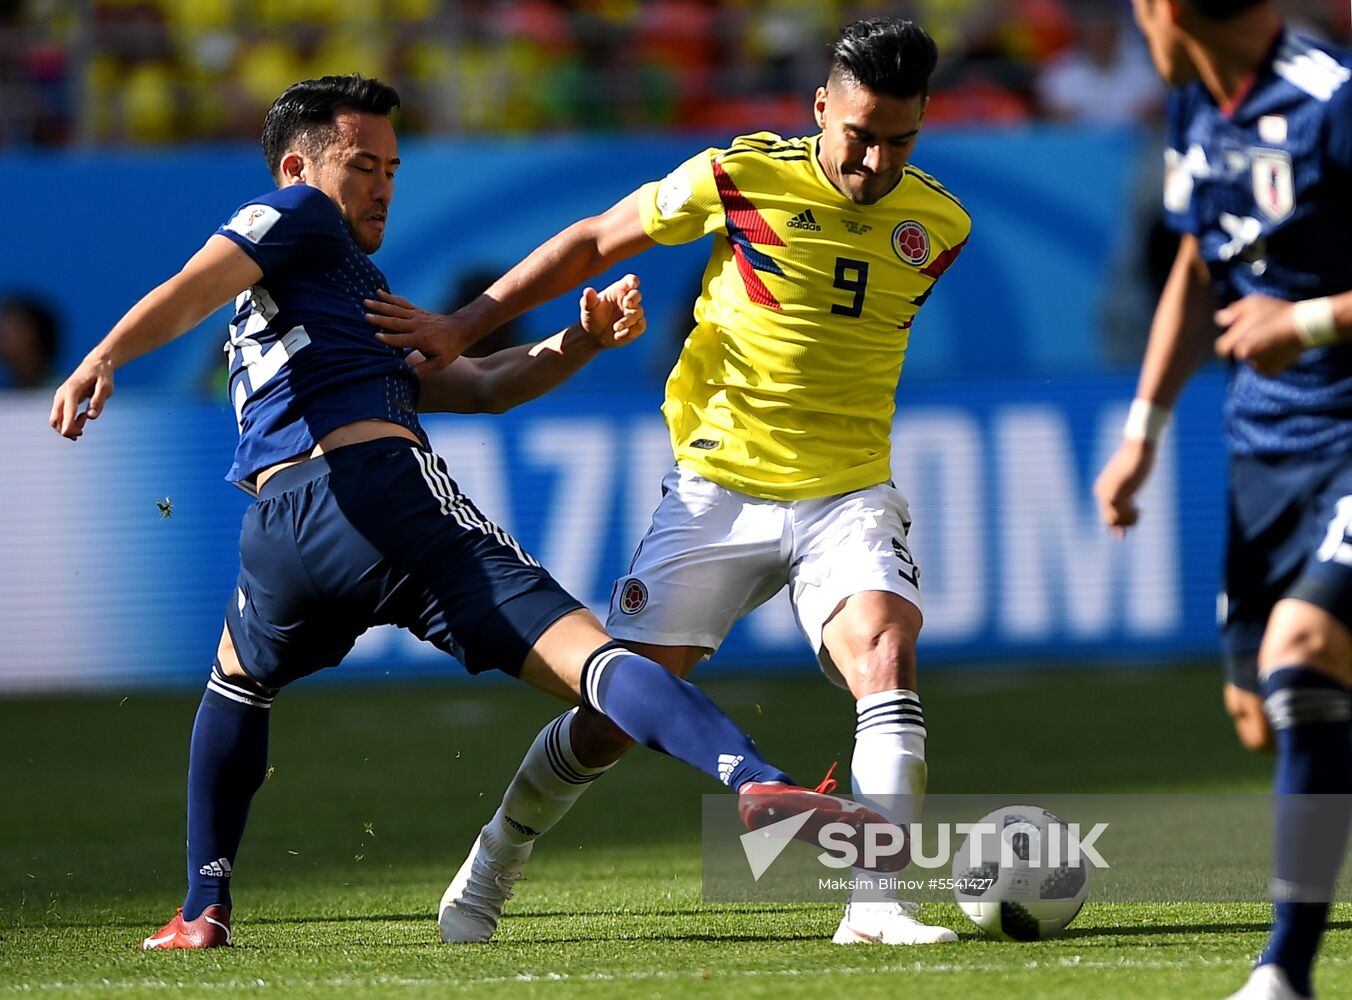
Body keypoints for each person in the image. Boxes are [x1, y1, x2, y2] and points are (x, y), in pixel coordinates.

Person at [48, 73, 888, 951]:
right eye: (362, 165)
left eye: (394, 169)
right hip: (383, 491)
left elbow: (482, 384)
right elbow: (192, 281)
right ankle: (752, 779)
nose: (382, 185)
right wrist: (105, 355)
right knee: (592, 660)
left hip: (282, 528)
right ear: (298, 168)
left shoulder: (333, 291)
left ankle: (202, 907)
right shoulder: (298, 216)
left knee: (236, 682)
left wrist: (582, 339)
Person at [367, 18, 970, 947]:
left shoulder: (939, 224)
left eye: (901, 139)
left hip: (847, 491)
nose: (877, 160)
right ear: (821, 108)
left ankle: (877, 906)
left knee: (885, 651)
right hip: (717, 489)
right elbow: (596, 240)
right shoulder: (739, 177)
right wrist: (467, 322)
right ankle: (494, 860)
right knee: (614, 714)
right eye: (860, 134)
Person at [1091, 3, 1352, 998]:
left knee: (1302, 658)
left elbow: (1294, 315)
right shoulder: (1193, 102)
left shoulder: (1331, 102)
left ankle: (1280, 972)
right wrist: (1139, 435)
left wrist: (1315, 320)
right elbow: (1198, 266)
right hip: (1262, 450)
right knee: (1261, 714)